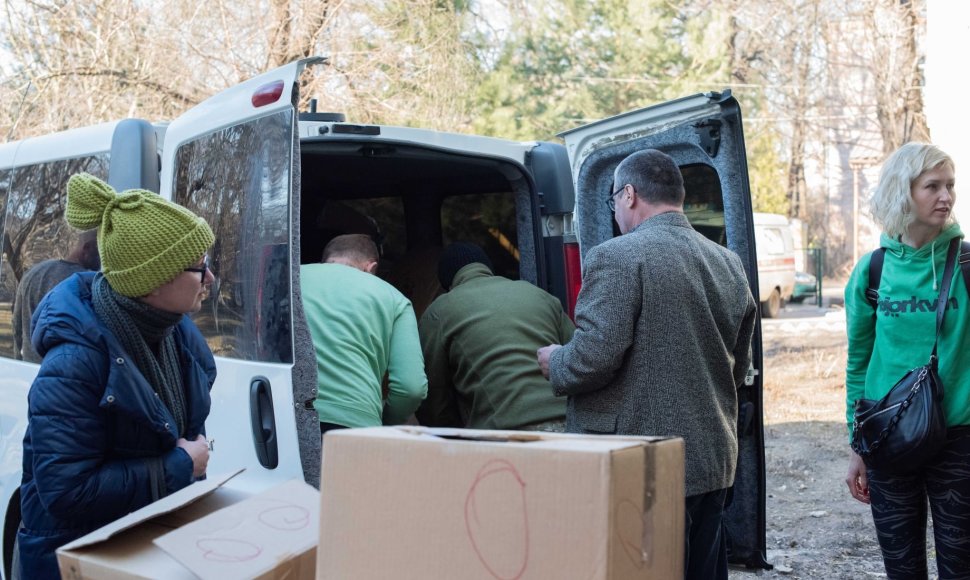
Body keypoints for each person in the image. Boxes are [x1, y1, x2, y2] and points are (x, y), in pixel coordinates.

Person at [537, 149, 757, 580]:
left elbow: (593, 358)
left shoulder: (616, 257)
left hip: (642, 467)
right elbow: (738, 365)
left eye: (614, 201)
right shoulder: (728, 262)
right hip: (711, 459)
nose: (615, 212)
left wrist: (555, 360)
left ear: (630, 194)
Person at [18, 173, 216, 579]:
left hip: (140, 546)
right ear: (154, 280)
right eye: (199, 268)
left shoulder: (174, 337)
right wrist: (180, 465)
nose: (210, 279)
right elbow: (67, 491)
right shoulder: (75, 363)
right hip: (79, 559)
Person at [844, 142, 970, 578]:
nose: (946, 197)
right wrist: (857, 445)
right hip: (888, 437)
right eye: (932, 186)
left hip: (959, 437)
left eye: (950, 186)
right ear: (904, 191)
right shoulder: (872, 271)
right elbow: (858, 361)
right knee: (902, 568)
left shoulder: (967, 264)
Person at [416, 242, 573, 431]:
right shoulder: (540, 295)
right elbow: (581, 355)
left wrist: (449, 436)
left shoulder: (440, 311)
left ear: (447, 283)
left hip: (505, 433)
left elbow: (434, 396)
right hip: (571, 423)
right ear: (487, 268)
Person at [301, 234, 427, 434]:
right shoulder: (395, 299)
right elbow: (411, 388)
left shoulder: (290, 279)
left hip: (283, 415)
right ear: (372, 268)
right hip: (356, 424)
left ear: (324, 260)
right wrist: (385, 423)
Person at [12, 229, 101, 362]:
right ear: (86, 248)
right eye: (99, 252)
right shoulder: (88, 283)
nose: (101, 259)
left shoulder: (32, 273)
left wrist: (17, 361)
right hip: (64, 373)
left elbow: (16, 324)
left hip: (28, 369)